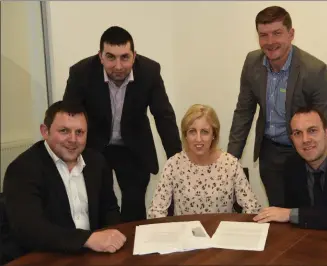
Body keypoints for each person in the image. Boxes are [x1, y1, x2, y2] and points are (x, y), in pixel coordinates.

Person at [227, 6, 327, 207]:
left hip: (302, 153)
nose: (270, 42)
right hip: (269, 153)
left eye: (277, 33)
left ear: (291, 34)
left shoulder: (313, 70)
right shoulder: (251, 62)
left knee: (306, 213)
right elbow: (243, 113)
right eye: (264, 35)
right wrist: (229, 162)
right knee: (277, 213)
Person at [63, 26, 182, 222]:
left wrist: (177, 161)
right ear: (100, 56)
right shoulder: (81, 73)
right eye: (111, 57)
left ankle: (132, 249)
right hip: (95, 145)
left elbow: (163, 116)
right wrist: (68, 156)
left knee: (134, 208)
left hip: (133, 146)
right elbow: (70, 117)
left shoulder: (150, 72)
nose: (118, 66)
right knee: (98, 205)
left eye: (124, 57)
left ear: (134, 56)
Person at [3, 101, 126, 261]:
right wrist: (86, 240)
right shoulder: (22, 169)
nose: (73, 139)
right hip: (43, 257)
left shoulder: (97, 162)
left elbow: (109, 209)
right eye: (64, 131)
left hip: (93, 256)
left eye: (80, 132)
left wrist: (112, 238)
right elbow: (28, 228)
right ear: (45, 131)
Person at [253, 107, 327, 230]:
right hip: (309, 241)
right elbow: (294, 219)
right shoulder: (292, 166)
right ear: (292, 140)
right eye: (298, 133)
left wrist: (290, 214)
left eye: (312, 131)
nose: (305, 140)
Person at [147, 104, 261, 218]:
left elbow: (253, 208)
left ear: (214, 135)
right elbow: (156, 212)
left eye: (204, 132)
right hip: (185, 233)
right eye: (192, 131)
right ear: (185, 135)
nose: (198, 139)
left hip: (222, 233)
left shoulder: (231, 164)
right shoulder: (173, 165)